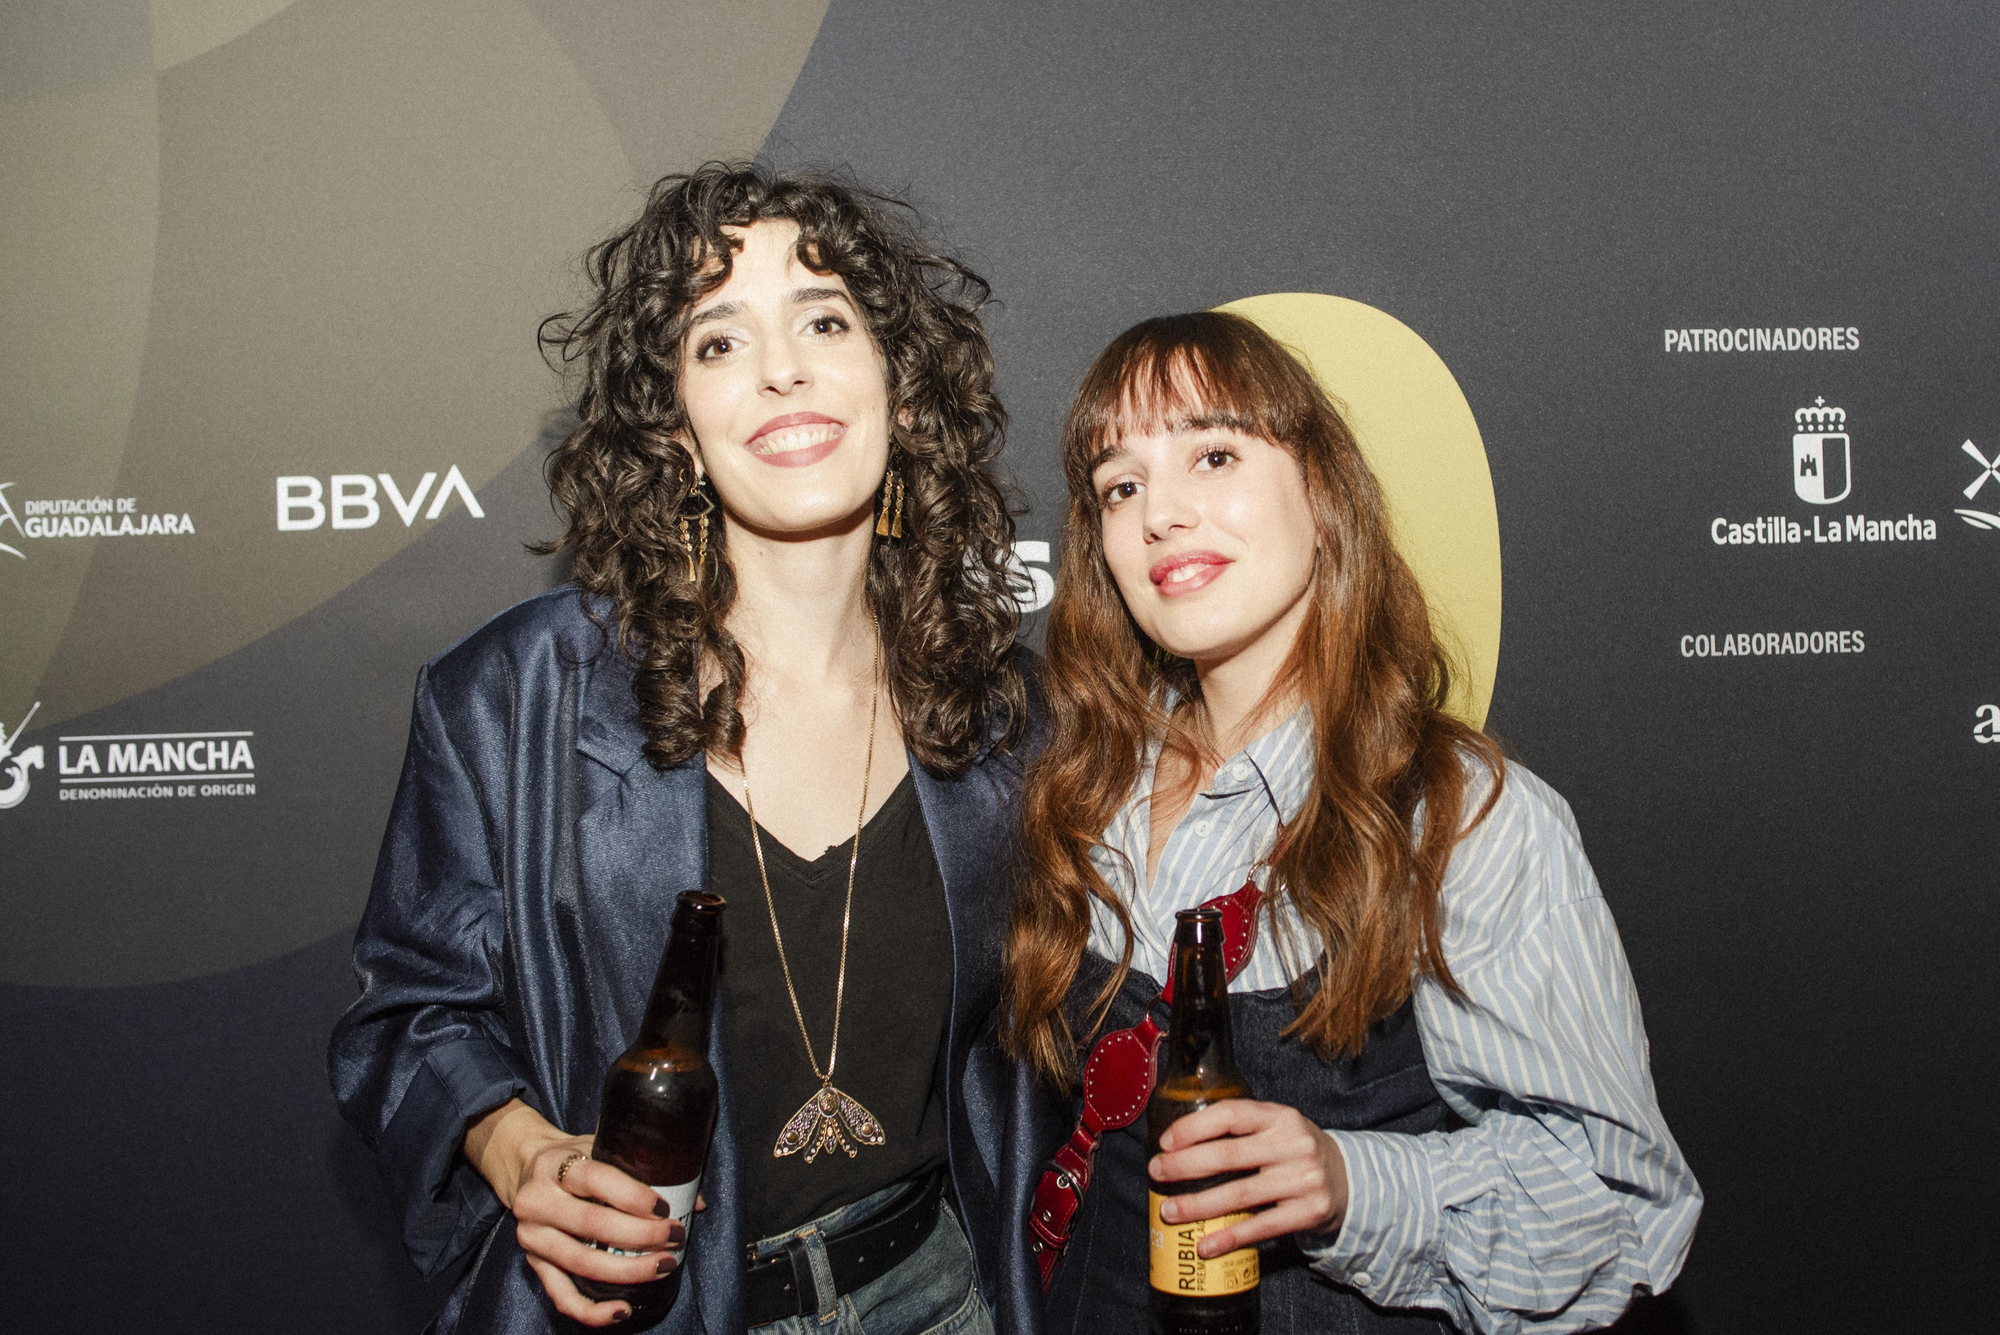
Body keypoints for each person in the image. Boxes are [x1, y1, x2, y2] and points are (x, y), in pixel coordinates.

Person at [330, 162, 1054, 1335]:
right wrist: (519, 1154)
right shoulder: (518, 695)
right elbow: (405, 1014)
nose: (783, 368)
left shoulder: (1001, 711)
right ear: (673, 427)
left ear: (901, 388)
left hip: (940, 1293)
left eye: (825, 320)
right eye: (719, 343)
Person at [1004, 312, 1701, 1334]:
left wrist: (1350, 1181)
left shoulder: (1457, 819)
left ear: (1319, 495)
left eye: (1211, 453)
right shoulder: (1080, 788)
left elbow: (1619, 1207)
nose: (1160, 514)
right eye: (1121, 485)